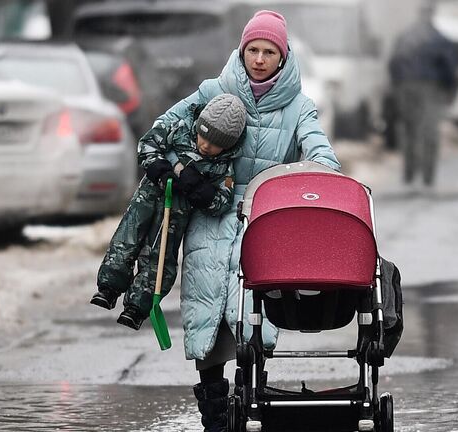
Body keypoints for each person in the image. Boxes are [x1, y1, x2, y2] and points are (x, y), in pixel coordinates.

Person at [154, 10, 340, 431]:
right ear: (242, 51)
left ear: (282, 56)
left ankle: (251, 395)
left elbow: (323, 158)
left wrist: (295, 182)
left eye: (268, 51)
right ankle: (214, 412)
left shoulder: (298, 107)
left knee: (255, 310)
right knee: (205, 310)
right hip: (210, 212)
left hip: (263, 218)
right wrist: (184, 171)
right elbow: (163, 132)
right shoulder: (212, 91)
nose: (259, 58)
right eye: (253, 49)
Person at [89, 93, 246, 331]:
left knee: (159, 260)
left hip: (175, 219)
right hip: (145, 202)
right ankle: (109, 287)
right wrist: (161, 171)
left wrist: (197, 187)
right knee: (125, 242)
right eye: (203, 136)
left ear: (228, 145)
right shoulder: (180, 130)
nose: (205, 145)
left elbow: (221, 203)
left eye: (214, 144)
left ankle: (137, 307)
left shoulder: (222, 166)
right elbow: (147, 144)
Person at [389, 2, 456, 186]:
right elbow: (448, 68)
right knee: (429, 133)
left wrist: (397, 86)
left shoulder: (405, 36)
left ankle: (409, 174)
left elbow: (394, 63)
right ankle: (428, 177)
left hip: (406, 87)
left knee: (410, 131)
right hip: (430, 88)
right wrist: (450, 89)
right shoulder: (438, 38)